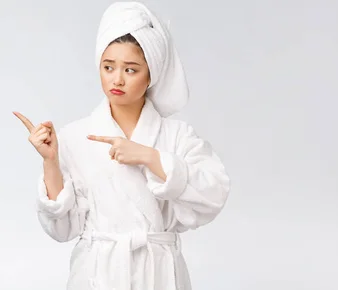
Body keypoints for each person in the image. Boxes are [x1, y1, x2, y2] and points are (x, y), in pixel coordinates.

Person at [13, 2, 230, 289]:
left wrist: (152, 158)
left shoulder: (177, 136)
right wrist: (50, 161)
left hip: (159, 274)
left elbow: (213, 194)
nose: (117, 79)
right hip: (97, 273)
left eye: (130, 69)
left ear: (151, 74)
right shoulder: (76, 136)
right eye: (108, 67)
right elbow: (62, 229)